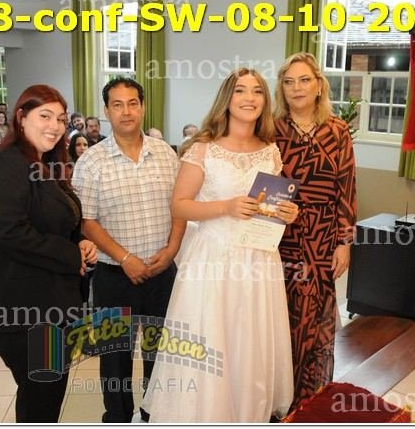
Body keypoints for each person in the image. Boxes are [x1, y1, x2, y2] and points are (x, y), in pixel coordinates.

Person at [141, 69, 298, 423]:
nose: (249, 98)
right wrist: (226, 207)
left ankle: (245, 413)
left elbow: (267, 206)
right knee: (211, 337)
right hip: (212, 260)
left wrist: (286, 212)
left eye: (257, 91)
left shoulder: (271, 151)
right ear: (227, 98)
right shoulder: (203, 149)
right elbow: (179, 205)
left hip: (258, 260)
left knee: (249, 340)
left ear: (265, 101)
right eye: (240, 90)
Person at [0, 84, 98, 423]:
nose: (55, 125)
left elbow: (57, 221)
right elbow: (11, 232)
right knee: (42, 396)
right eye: (45, 116)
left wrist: (80, 242)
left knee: (45, 393)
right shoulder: (4, 165)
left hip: (51, 302)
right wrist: (71, 255)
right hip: (21, 306)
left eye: (61, 118)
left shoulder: (45, 164)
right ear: (21, 117)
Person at [72, 77, 184, 423]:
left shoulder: (165, 154)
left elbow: (181, 206)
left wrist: (171, 250)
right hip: (114, 275)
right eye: (117, 105)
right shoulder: (91, 161)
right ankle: (118, 417)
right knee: (115, 357)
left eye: (133, 103)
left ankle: (154, 415)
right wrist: (125, 258)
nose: (126, 111)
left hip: (162, 272)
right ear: (106, 111)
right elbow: (86, 221)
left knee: (159, 353)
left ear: (143, 107)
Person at [273, 52, 357, 410]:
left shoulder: (337, 130)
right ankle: (278, 397)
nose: (297, 88)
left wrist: (344, 242)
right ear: (282, 88)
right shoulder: (271, 129)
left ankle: (308, 397)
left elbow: (346, 188)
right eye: (289, 82)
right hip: (280, 236)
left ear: (318, 85)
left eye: (304, 80)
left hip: (323, 237)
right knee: (282, 315)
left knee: (315, 317)